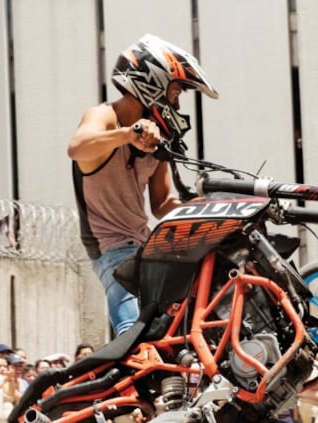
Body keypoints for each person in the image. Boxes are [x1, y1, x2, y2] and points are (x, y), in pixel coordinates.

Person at [68, 34, 218, 335]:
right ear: (152, 85)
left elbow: (162, 203)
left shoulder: (154, 141)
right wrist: (126, 134)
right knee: (138, 338)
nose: (176, 105)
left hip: (145, 244)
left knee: (186, 326)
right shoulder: (104, 117)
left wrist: (202, 210)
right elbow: (77, 148)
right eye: (175, 94)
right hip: (111, 249)